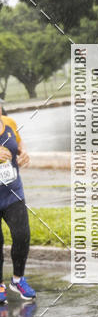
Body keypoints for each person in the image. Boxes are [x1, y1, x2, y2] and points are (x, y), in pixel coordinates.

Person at [0, 104, 35, 302]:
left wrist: (24, 153)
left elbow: (20, 144)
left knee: (22, 236)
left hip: (13, 192)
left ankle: (18, 279)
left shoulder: (9, 123)